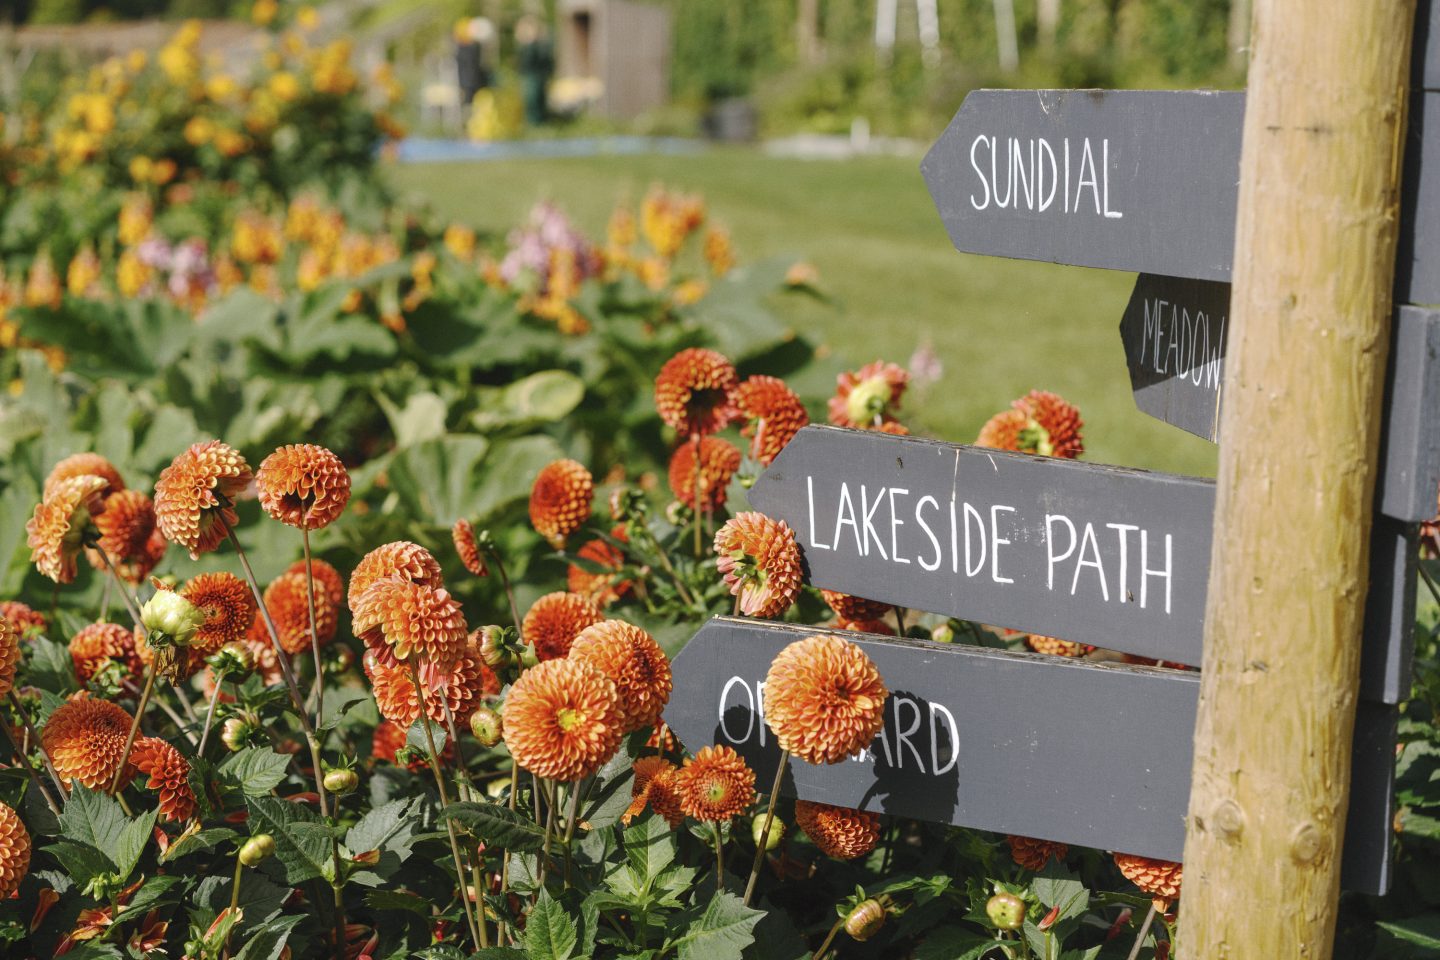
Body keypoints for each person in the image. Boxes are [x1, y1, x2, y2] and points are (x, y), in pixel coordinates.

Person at [515, 13, 554, 127]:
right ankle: (535, 124)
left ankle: (537, 124)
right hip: (531, 76)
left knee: (535, 102)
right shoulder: (529, 46)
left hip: (535, 76)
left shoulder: (536, 46)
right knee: (532, 102)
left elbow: (539, 62)